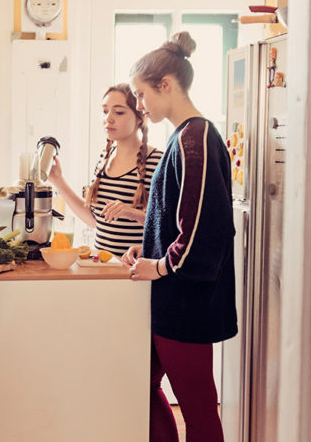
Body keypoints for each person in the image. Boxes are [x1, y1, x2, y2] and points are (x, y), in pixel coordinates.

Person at [120, 32, 237, 442]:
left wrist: (161, 264)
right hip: (172, 298)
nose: (139, 104)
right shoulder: (183, 137)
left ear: (166, 85)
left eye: (140, 93)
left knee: (199, 409)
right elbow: (176, 217)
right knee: (138, 386)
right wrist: (148, 246)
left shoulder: (197, 139)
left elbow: (207, 232)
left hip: (187, 301)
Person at [46, 84, 163, 255]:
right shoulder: (105, 158)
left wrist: (133, 214)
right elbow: (95, 221)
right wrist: (59, 181)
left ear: (139, 117)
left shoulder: (157, 161)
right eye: (105, 111)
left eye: (119, 112)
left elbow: (168, 228)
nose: (108, 118)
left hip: (136, 271)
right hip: (104, 267)